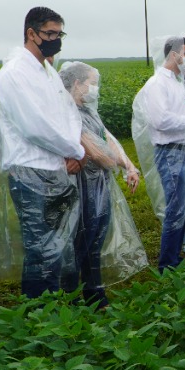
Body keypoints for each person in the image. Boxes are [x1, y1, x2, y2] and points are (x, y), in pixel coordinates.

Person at [0, 7, 84, 298]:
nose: (56, 40)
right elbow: (36, 127)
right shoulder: (15, 74)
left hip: (57, 165)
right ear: (31, 33)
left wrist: (71, 149)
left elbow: (68, 112)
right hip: (30, 171)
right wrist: (75, 149)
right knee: (41, 247)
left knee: (60, 242)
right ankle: (39, 311)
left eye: (59, 34)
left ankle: (60, 303)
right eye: (50, 34)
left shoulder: (46, 71)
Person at [59, 62, 142, 306]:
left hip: (99, 184)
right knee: (80, 243)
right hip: (81, 186)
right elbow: (96, 151)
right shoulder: (68, 111)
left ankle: (95, 294)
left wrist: (128, 165)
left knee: (95, 240)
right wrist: (114, 163)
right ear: (77, 83)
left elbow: (108, 139)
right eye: (92, 83)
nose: (95, 89)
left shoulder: (87, 109)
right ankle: (73, 298)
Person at [132, 36, 185, 270]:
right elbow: (161, 120)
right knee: (175, 210)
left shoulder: (178, 81)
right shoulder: (157, 84)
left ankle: (178, 255)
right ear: (173, 54)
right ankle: (168, 263)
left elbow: (180, 114)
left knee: (184, 208)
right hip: (171, 152)